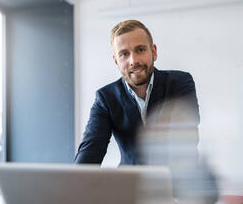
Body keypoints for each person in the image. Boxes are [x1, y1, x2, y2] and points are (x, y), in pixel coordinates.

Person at [74, 20, 200, 165]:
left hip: (177, 181)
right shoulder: (106, 98)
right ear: (116, 61)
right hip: (130, 185)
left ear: (153, 52)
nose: (133, 61)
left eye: (140, 50)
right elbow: (90, 153)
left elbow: (183, 140)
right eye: (124, 54)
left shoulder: (179, 83)